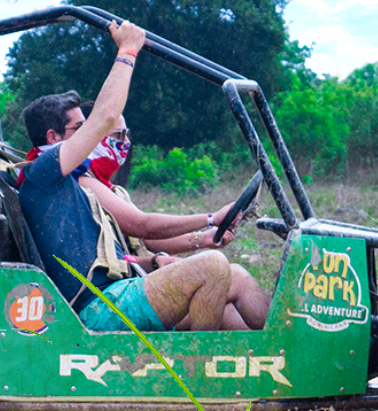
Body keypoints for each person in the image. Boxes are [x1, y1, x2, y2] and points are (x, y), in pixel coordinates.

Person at [17, 20, 249, 332]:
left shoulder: (68, 184)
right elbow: (106, 118)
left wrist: (153, 263)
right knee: (213, 266)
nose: (89, 134)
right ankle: (196, 371)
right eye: (79, 128)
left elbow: (110, 258)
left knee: (234, 287)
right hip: (100, 307)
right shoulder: (42, 173)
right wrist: (127, 51)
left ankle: (287, 363)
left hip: (115, 293)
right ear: (54, 138)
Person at [70, 100, 269, 330]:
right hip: (119, 297)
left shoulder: (113, 190)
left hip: (132, 285)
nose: (126, 142)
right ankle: (288, 346)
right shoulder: (85, 185)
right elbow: (144, 226)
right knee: (231, 277)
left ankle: (275, 358)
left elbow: (150, 241)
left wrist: (204, 239)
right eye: (119, 135)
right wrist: (210, 218)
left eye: (127, 134)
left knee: (230, 294)